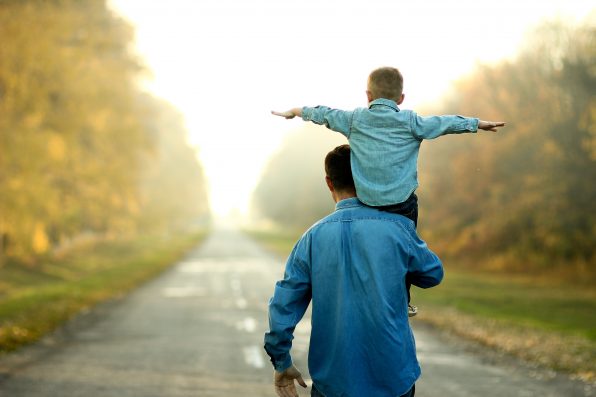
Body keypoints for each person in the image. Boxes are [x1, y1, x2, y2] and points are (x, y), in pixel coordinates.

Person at [272, 66, 505, 315]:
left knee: (364, 245)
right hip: (402, 206)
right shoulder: (412, 122)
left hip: (366, 203)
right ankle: (401, 300)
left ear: (368, 96)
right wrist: (476, 124)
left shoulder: (355, 120)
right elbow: (444, 123)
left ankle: (362, 288)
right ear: (401, 98)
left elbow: (324, 114)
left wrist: (296, 112)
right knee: (403, 251)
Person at [264, 145, 444, 397]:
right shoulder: (398, 228)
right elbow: (433, 274)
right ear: (369, 175)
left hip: (333, 384)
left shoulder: (311, 238)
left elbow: (282, 307)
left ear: (329, 183)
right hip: (394, 379)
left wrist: (281, 361)